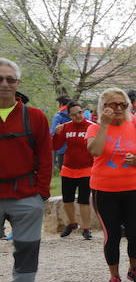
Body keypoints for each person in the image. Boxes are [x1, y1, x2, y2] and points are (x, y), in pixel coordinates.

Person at [86, 87, 136, 282]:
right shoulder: (94, 129)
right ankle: (114, 276)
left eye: (123, 104)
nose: (119, 108)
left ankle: (134, 269)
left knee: (135, 234)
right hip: (104, 189)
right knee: (111, 235)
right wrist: (104, 125)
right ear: (103, 107)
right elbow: (95, 151)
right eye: (114, 105)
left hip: (133, 188)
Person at [0, 59, 52, 282]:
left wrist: (41, 191)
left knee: (28, 248)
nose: (4, 84)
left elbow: (45, 156)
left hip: (26, 196)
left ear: (18, 83)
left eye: (10, 79)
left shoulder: (35, 118)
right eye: (0, 79)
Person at [51, 100, 95, 239]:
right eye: (74, 114)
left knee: (84, 200)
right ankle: (71, 224)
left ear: (83, 111)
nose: (78, 116)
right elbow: (56, 147)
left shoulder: (92, 127)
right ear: (69, 115)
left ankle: (86, 228)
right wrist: (56, 135)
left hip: (86, 169)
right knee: (67, 199)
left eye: (80, 112)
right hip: (68, 169)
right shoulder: (65, 127)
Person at [50, 94, 71, 169]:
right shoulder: (75, 114)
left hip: (62, 149)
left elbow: (52, 133)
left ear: (61, 104)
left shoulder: (58, 116)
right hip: (75, 148)